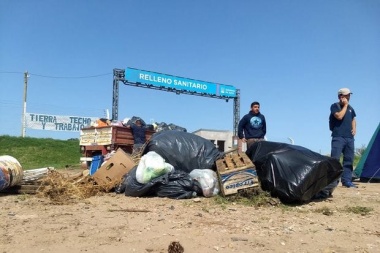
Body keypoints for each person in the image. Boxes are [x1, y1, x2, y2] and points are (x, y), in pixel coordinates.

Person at [329, 87, 357, 188]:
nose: (349, 97)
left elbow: (353, 119)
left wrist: (354, 129)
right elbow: (339, 116)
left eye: (349, 95)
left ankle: (347, 181)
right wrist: (345, 105)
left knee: (349, 159)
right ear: (341, 96)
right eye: (346, 95)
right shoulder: (335, 106)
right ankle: (333, 182)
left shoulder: (351, 108)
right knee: (335, 159)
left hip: (349, 137)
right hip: (338, 137)